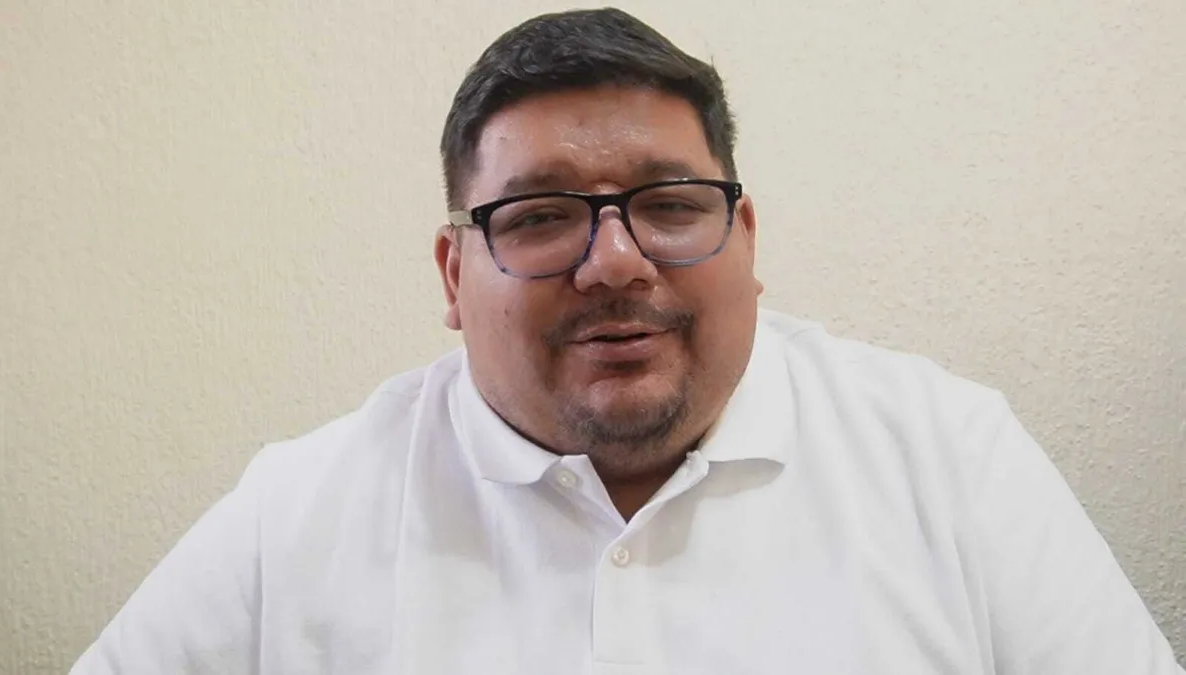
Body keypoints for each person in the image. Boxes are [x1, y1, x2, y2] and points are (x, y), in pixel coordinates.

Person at [70, 7, 1182, 674]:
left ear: (746, 237)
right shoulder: (296, 512)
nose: (614, 262)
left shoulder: (950, 456)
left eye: (671, 204)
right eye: (541, 215)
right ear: (454, 275)